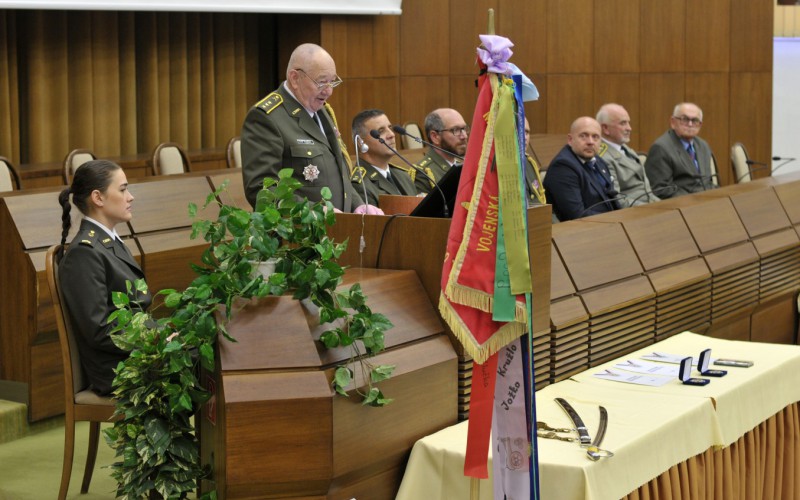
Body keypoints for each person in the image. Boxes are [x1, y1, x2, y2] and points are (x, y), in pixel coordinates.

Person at [241, 43, 380, 215]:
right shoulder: (267, 118)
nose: (329, 91)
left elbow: (338, 174)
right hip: (297, 238)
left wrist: (358, 204)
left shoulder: (322, 111)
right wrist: (312, 212)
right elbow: (262, 191)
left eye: (332, 82)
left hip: (337, 231)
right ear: (294, 78)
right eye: (322, 83)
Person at [57, 160, 150, 396]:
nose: (131, 197)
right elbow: (99, 329)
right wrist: (154, 338)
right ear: (98, 198)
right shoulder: (84, 253)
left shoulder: (108, 242)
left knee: (203, 349)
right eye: (122, 189)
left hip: (133, 355)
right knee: (199, 359)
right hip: (117, 369)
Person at [543, 116, 622, 221]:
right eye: (583, 136)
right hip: (581, 231)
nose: (590, 142)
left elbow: (612, 198)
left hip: (606, 224)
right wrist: (613, 219)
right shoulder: (563, 167)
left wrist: (623, 216)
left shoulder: (597, 160)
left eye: (595, 137)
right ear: (570, 140)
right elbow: (576, 214)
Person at [645, 102, 716, 198]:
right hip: (682, 205)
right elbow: (661, 189)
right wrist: (694, 201)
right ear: (673, 122)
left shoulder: (703, 145)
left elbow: (707, 182)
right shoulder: (661, 148)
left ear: (700, 125)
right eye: (685, 119)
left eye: (694, 120)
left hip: (707, 201)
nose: (690, 124)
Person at [596, 103, 661, 206]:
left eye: (628, 123)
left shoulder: (623, 147)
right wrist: (651, 208)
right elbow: (617, 199)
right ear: (605, 129)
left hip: (651, 204)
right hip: (634, 212)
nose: (629, 128)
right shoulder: (603, 157)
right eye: (623, 123)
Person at [349, 109, 417, 207]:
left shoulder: (404, 176)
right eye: (380, 131)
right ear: (360, 142)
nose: (392, 135)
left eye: (390, 128)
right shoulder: (360, 185)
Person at [414, 108, 469, 194]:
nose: (464, 136)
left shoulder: (463, 165)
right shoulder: (424, 173)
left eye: (464, 129)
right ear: (435, 137)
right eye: (456, 130)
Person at [522, 117, 546, 207]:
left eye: (526, 132)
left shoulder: (529, 163)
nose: (524, 137)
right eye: (519, 131)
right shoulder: (496, 168)